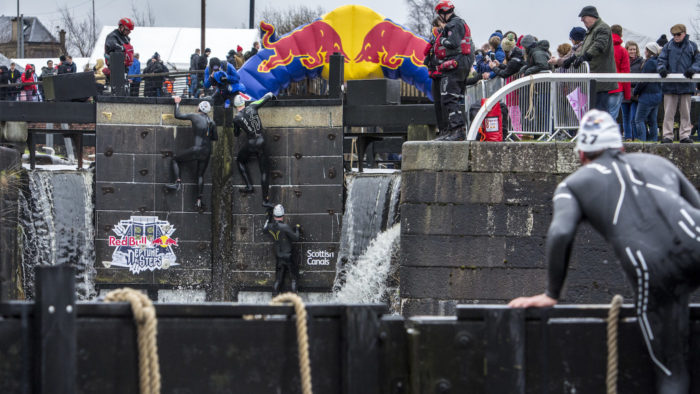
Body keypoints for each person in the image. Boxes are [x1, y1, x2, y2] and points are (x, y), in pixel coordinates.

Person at [509, 109, 700, 393]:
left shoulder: (572, 185)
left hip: (653, 270)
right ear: (620, 147)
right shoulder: (659, 163)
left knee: (672, 371)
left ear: (581, 155)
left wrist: (551, 294)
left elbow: (561, 232)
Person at [432, 0, 474, 141]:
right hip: (461, 63)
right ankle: (452, 130)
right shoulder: (460, 23)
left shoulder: (453, 24)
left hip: (456, 64)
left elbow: (453, 43)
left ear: (443, 13)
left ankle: (457, 130)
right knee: (451, 97)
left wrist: (441, 39)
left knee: (449, 97)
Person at [166, 96, 217, 210]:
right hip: (207, 152)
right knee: (200, 175)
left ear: (199, 108)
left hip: (196, 149)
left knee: (175, 158)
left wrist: (177, 103)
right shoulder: (212, 122)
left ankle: (177, 182)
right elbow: (214, 138)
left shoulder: (195, 116)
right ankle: (199, 200)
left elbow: (178, 115)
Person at [564, 6, 617, 111]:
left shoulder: (602, 28)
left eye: (583, 17)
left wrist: (584, 57)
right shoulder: (591, 31)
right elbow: (585, 50)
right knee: (594, 112)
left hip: (600, 79)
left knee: (600, 113)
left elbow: (599, 45)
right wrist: (573, 58)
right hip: (593, 79)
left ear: (592, 16)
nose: (581, 20)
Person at [657, 23, 700, 144]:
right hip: (670, 85)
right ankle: (667, 135)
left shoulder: (692, 46)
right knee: (668, 113)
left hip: (686, 84)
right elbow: (661, 60)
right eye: (674, 34)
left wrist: (693, 69)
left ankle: (685, 135)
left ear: (684, 34)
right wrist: (662, 69)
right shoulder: (668, 46)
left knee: (685, 112)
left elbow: (698, 60)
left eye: (678, 34)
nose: (676, 36)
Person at [232, 92, 274, 201]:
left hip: (251, 143)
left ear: (236, 106)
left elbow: (236, 134)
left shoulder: (236, 118)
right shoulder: (253, 106)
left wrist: (239, 126)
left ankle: (249, 185)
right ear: (244, 102)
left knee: (240, 161)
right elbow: (265, 98)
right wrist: (271, 95)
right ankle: (265, 199)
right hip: (261, 140)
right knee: (264, 172)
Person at [263, 203, 301, 294]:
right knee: (293, 279)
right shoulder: (285, 227)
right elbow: (296, 237)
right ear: (283, 215)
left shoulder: (270, 227)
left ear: (274, 215)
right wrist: (297, 229)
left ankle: (274, 300)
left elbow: (264, 229)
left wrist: (268, 216)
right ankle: (294, 300)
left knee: (278, 280)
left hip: (279, 256)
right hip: (288, 255)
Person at [634, 42, 663, 142]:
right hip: (657, 95)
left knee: (639, 119)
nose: (644, 51)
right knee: (652, 121)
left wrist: (635, 91)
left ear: (649, 51)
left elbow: (643, 80)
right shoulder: (659, 62)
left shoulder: (650, 63)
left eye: (646, 50)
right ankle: (653, 140)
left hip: (647, 95)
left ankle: (642, 141)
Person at [424, 17, 447, 135]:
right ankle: (442, 129)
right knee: (437, 103)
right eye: (435, 26)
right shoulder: (433, 41)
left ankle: (448, 129)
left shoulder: (447, 39)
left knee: (445, 103)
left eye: (438, 26)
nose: (436, 29)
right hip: (434, 75)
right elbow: (426, 55)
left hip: (444, 74)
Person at [608, 25, 630, 120]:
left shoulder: (603, 49)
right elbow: (626, 72)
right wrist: (627, 94)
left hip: (602, 87)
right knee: (612, 116)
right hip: (617, 87)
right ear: (621, 34)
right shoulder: (623, 51)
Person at [623, 41, 643, 141]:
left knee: (634, 117)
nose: (632, 51)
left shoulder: (641, 62)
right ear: (626, 50)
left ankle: (636, 137)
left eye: (634, 49)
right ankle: (628, 137)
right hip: (625, 91)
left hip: (635, 92)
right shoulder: (623, 60)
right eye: (630, 49)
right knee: (625, 116)